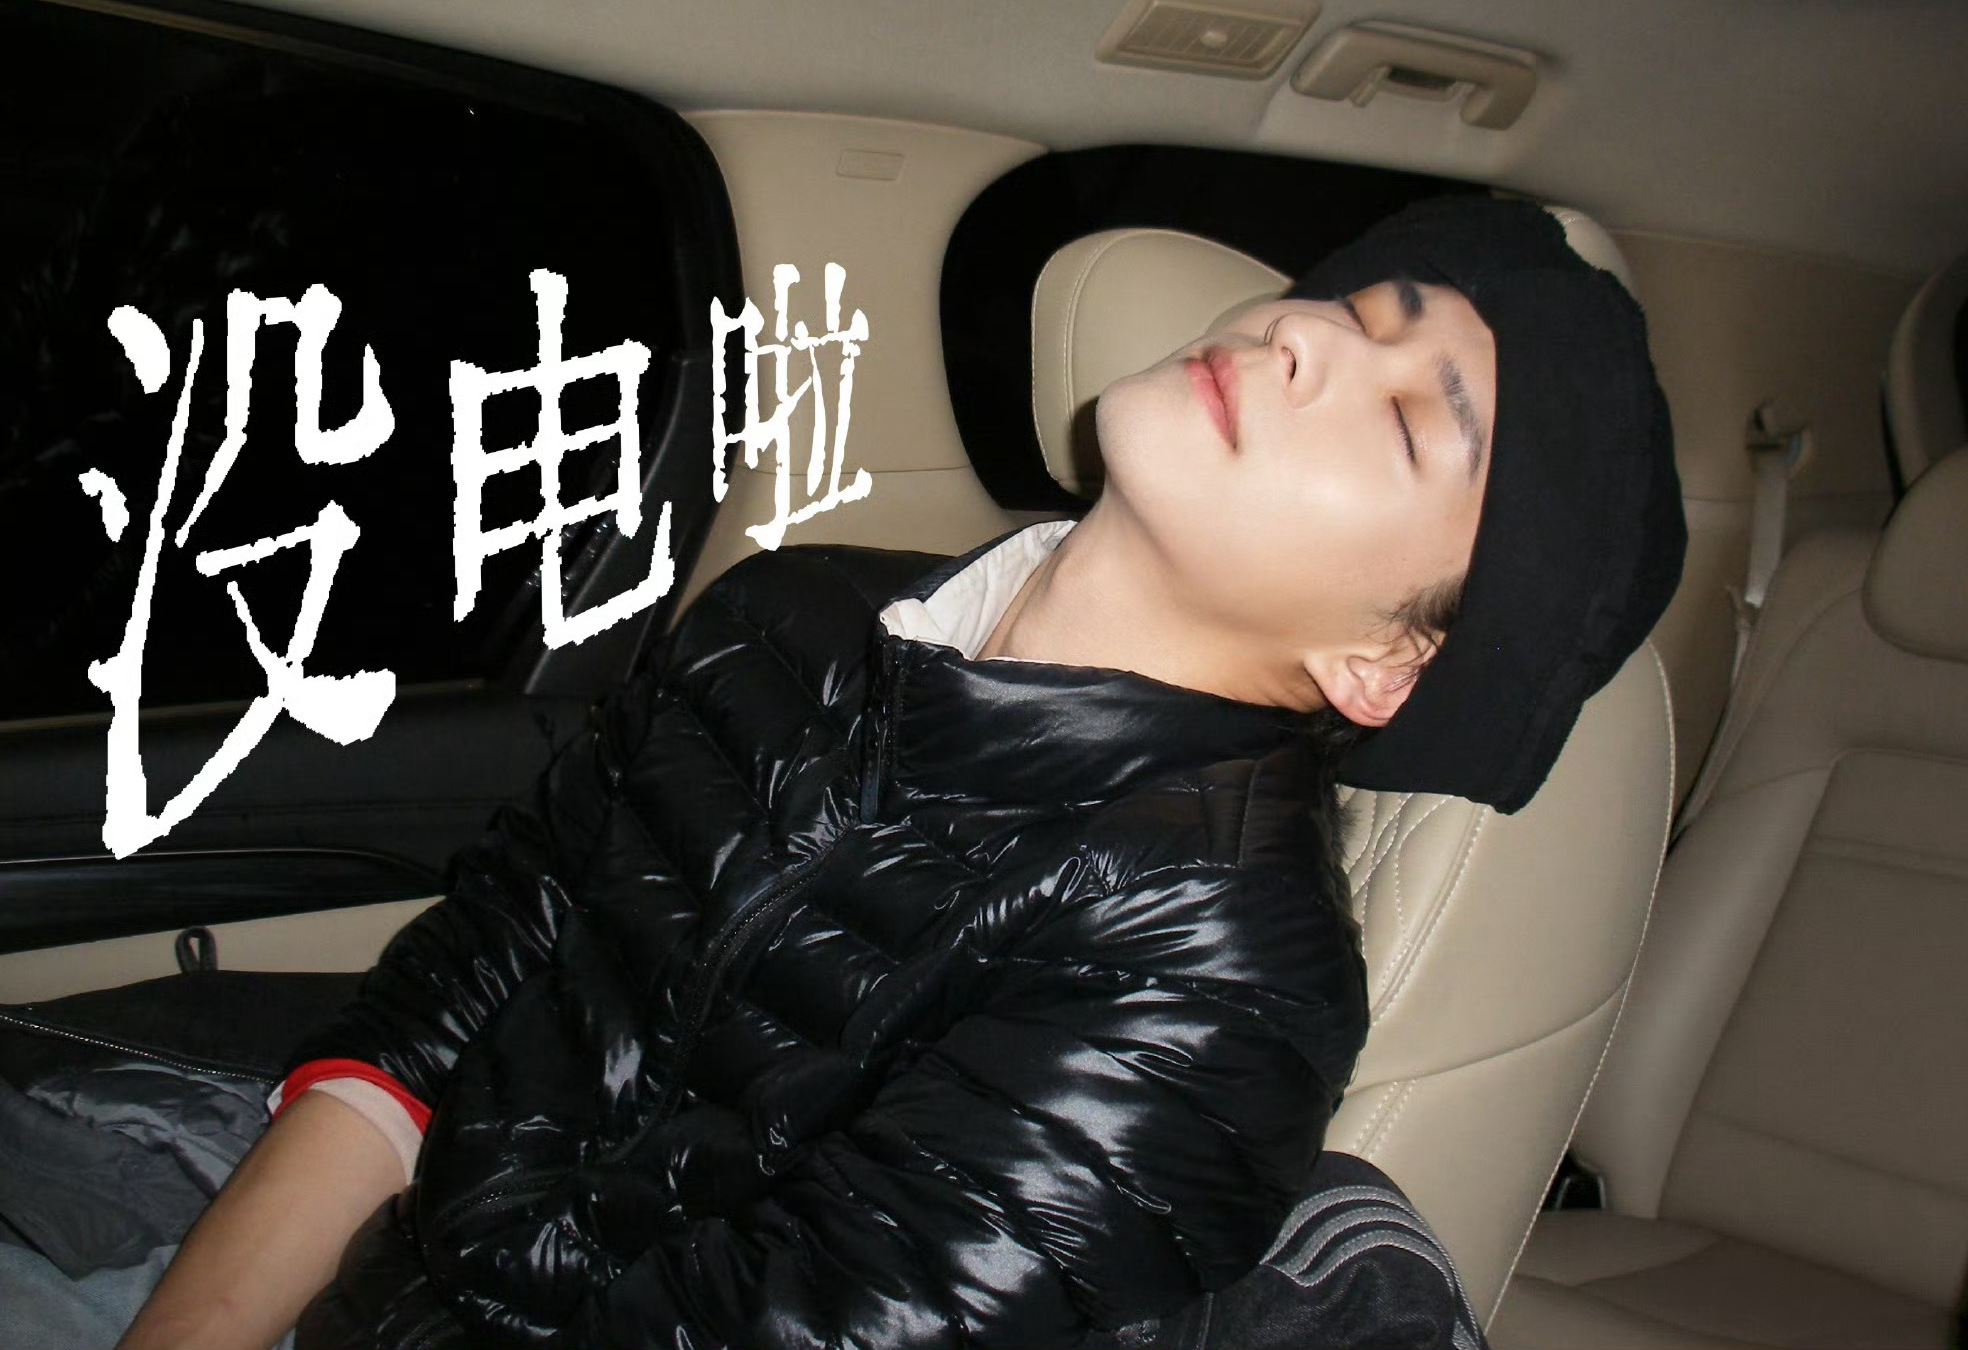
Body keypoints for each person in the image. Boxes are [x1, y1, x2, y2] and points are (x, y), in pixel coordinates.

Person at [41, 194, 1679, 1349]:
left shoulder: (1225, 980)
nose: (1307, 335)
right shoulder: (789, 614)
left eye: (1409, 421)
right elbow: (460, 999)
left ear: (1383, 665)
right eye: (1357, 309)